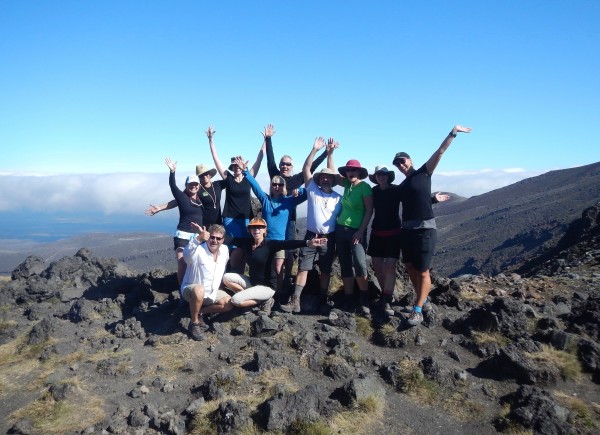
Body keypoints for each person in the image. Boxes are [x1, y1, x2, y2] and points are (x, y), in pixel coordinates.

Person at [393, 125, 472, 326]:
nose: (400, 165)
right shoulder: (402, 187)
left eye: (402, 161)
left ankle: (417, 310)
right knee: (409, 266)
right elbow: (414, 199)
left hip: (426, 229)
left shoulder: (424, 172)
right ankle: (424, 298)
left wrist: (453, 133)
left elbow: (440, 151)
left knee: (423, 271)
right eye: (396, 164)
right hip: (407, 229)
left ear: (410, 160)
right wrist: (432, 199)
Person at [367, 165, 449, 316]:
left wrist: (433, 199)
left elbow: (415, 199)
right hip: (376, 232)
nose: (381, 176)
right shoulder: (373, 191)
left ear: (388, 176)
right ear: (375, 177)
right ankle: (386, 293)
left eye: (384, 174)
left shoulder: (397, 190)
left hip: (393, 232)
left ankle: (387, 298)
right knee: (377, 265)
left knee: (390, 266)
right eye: (378, 175)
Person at [280, 137, 342, 314]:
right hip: (311, 236)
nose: (325, 179)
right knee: (303, 268)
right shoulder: (312, 189)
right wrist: (314, 149)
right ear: (319, 178)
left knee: (325, 270)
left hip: (328, 239)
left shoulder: (338, 198)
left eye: (328, 177)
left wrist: (331, 154)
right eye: (322, 177)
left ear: (332, 180)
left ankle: (323, 300)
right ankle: (295, 300)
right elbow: (306, 169)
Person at [263, 124, 328, 286]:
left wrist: (325, 152)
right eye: (282, 164)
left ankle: (285, 282)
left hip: (289, 221)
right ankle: (274, 282)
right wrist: (268, 139)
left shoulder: (297, 179)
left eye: (288, 164)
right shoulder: (275, 176)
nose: (284, 166)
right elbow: (269, 158)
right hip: (274, 222)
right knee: (273, 252)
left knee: (290, 252)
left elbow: (311, 167)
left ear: (292, 167)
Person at [233, 156, 307, 296]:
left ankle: (276, 296)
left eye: (280, 185)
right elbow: (255, 186)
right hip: (264, 242)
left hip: (279, 242)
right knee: (263, 267)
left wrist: (300, 191)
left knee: (278, 269)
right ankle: (262, 292)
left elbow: (308, 193)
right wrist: (245, 171)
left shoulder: (289, 201)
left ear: (284, 187)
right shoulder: (265, 200)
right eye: (274, 184)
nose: (277, 187)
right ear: (271, 186)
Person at [222, 218, 327, 316]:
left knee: (235, 300)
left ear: (264, 230)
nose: (256, 230)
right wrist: (208, 235)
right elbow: (229, 239)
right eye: (253, 227)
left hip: (267, 287)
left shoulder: (270, 244)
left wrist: (308, 242)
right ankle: (252, 298)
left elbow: (288, 244)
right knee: (226, 277)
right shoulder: (247, 243)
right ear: (249, 230)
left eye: (260, 227)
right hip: (253, 283)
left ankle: (265, 300)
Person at [206, 126, 264, 272]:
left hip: (245, 219)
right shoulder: (228, 178)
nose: (237, 167)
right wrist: (211, 140)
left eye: (239, 165)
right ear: (232, 167)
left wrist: (265, 140)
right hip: (230, 219)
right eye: (234, 165)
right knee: (230, 249)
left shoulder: (248, 177)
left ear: (242, 165)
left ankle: (239, 277)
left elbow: (259, 159)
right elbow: (216, 159)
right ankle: (227, 275)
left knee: (244, 248)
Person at [180, 223, 231, 341]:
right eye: (212, 237)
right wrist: (198, 238)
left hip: (211, 292)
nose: (214, 241)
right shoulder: (198, 249)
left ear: (223, 240)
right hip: (191, 290)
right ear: (207, 237)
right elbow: (186, 256)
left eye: (218, 238)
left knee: (229, 302)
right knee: (199, 290)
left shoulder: (224, 250)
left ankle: (200, 313)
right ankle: (194, 323)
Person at [335, 159, 373, 314]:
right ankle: (349, 298)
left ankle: (364, 299)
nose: (351, 172)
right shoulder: (347, 185)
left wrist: (360, 231)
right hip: (340, 229)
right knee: (344, 264)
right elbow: (332, 172)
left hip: (356, 231)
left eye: (354, 170)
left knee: (359, 263)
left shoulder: (365, 187)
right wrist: (330, 153)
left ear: (359, 172)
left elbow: (369, 211)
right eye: (348, 170)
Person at [162, 157, 205, 285]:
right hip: (182, 236)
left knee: (197, 263)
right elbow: (172, 186)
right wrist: (172, 172)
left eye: (195, 184)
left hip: (198, 236)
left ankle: (195, 287)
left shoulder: (202, 199)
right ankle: (182, 290)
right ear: (186, 186)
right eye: (191, 184)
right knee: (182, 262)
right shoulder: (182, 197)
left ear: (199, 186)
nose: (193, 186)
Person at [145, 163, 225, 227]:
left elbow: (233, 182)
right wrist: (160, 208)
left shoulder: (218, 185)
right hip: (203, 225)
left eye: (206, 174)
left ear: (210, 175)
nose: (204, 176)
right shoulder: (196, 189)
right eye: (201, 175)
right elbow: (178, 200)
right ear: (199, 178)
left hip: (218, 224)